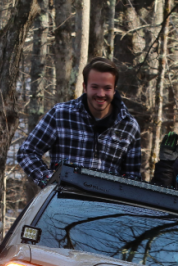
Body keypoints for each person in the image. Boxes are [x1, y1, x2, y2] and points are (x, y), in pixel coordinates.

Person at [17, 58, 142, 186]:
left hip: (106, 204)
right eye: (95, 87)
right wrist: (50, 180)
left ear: (114, 89)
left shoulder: (129, 126)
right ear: (85, 87)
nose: (100, 93)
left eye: (107, 88)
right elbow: (27, 152)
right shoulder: (61, 114)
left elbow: (133, 178)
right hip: (62, 201)